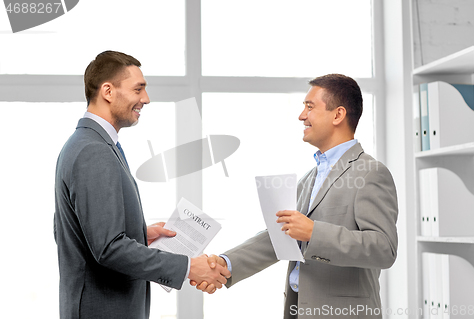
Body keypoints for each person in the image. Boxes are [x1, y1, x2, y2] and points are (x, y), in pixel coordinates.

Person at [192, 74, 398, 319]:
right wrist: (226, 263)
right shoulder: (310, 177)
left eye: (309, 107)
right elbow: (282, 237)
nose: (302, 116)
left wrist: (314, 232)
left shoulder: (371, 172)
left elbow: (384, 249)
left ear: (338, 115)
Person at [53, 50, 230, 319]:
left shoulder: (88, 144)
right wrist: (187, 267)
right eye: (138, 89)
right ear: (108, 91)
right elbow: (108, 248)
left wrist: (136, 234)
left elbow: (67, 229)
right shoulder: (93, 151)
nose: (145, 99)